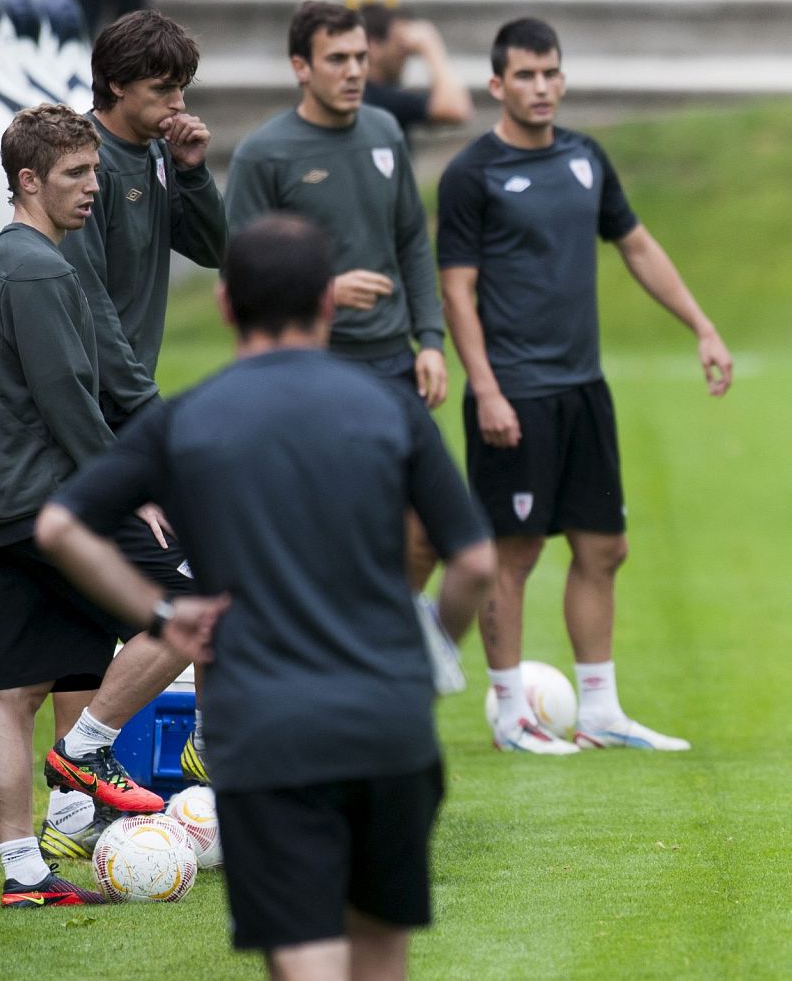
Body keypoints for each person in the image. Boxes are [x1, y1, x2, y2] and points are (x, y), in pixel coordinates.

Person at [35, 214, 497, 979]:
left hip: (264, 720)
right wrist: (431, 649)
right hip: (385, 712)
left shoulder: (186, 419)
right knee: (380, 948)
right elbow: (475, 561)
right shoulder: (390, 408)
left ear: (225, 305)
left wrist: (163, 613)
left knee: (302, 948)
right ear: (328, 301)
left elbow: (58, 526)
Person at [438, 17, 732, 754]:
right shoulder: (472, 174)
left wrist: (701, 324)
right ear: (497, 85)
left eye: (551, 73)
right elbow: (457, 291)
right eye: (526, 76)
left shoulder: (584, 156)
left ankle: (599, 707)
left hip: (582, 387)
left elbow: (635, 243)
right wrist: (488, 388)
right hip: (514, 393)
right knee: (516, 553)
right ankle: (510, 712)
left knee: (605, 546)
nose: (542, 87)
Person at [40, 8, 226, 859]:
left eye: (182, 86)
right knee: (198, 591)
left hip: (128, 422)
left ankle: (77, 819)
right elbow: (97, 323)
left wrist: (190, 167)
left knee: (202, 585)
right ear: (115, 85)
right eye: (161, 90)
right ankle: (87, 762)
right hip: (98, 428)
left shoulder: (156, 151)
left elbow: (217, 248)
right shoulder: (82, 167)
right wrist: (151, 438)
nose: (175, 101)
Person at [225, 0, 454, 679]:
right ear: (301, 67)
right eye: (337, 60)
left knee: (430, 527)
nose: (354, 72)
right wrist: (325, 290)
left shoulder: (384, 129)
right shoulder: (265, 153)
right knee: (316, 531)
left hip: (392, 361)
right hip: (308, 370)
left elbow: (411, 238)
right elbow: (243, 278)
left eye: (360, 58)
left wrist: (431, 338)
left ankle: (384, 640)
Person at [0, 103, 113, 908]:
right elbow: (68, 400)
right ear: (29, 181)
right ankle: (93, 777)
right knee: (188, 602)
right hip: (54, 507)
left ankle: (27, 866)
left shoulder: (10, 258)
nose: (92, 186)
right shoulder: (39, 267)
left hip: (14, 505)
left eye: (94, 171)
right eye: (75, 174)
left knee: (21, 686)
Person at [360, 2, 474, 137]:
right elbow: (457, 109)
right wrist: (431, 46)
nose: (407, 54)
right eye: (400, 45)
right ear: (373, 47)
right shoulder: (375, 98)